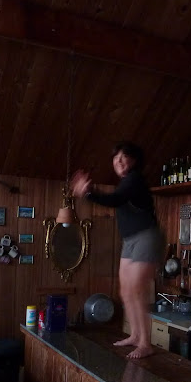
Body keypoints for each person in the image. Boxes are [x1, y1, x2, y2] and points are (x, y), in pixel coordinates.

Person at [71, 141, 163, 359]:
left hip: (146, 237)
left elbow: (115, 199)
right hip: (130, 240)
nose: (119, 161)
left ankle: (145, 343)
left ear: (134, 160)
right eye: (115, 157)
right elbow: (116, 198)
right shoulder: (125, 183)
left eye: (124, 156)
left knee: (137, 290)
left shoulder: (134, 179)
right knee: (125, 291)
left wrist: (89, 193)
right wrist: (90, 191)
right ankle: (135, 335)